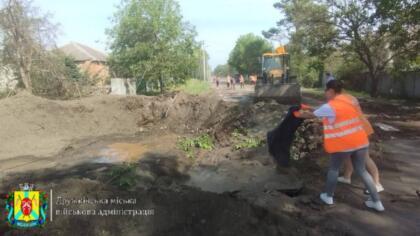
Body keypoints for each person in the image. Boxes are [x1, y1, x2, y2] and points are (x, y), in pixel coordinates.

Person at [299, 80, 385, 212]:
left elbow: (312, 114)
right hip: (361, 141)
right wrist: (308, 107)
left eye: (325, 90)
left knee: (333, 169)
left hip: (344, 144)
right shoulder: (348, 101)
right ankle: (377, 202)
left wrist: (298, 113)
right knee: (362, 170)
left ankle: (328, 196)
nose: (324, 93)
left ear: (331, 91)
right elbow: (321, 112)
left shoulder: (330, 106)